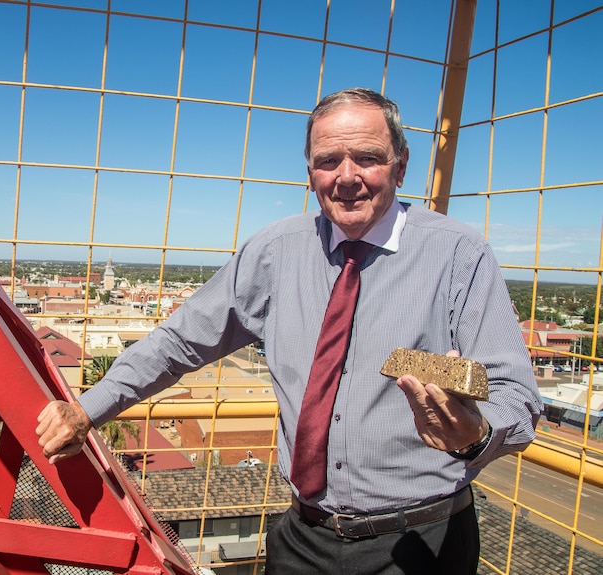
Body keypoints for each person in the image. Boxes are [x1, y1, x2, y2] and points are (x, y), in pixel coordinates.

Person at [36, 87, 542, 574]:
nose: (346, 177)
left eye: (367, 157)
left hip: (422, 541)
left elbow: (516, 395)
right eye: (327, 161)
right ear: (309, 172)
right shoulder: (277, 251)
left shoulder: (457, 254)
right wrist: (87, 410)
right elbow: (180, 342)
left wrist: (476, 436)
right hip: (304, 537)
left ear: (401, 165)